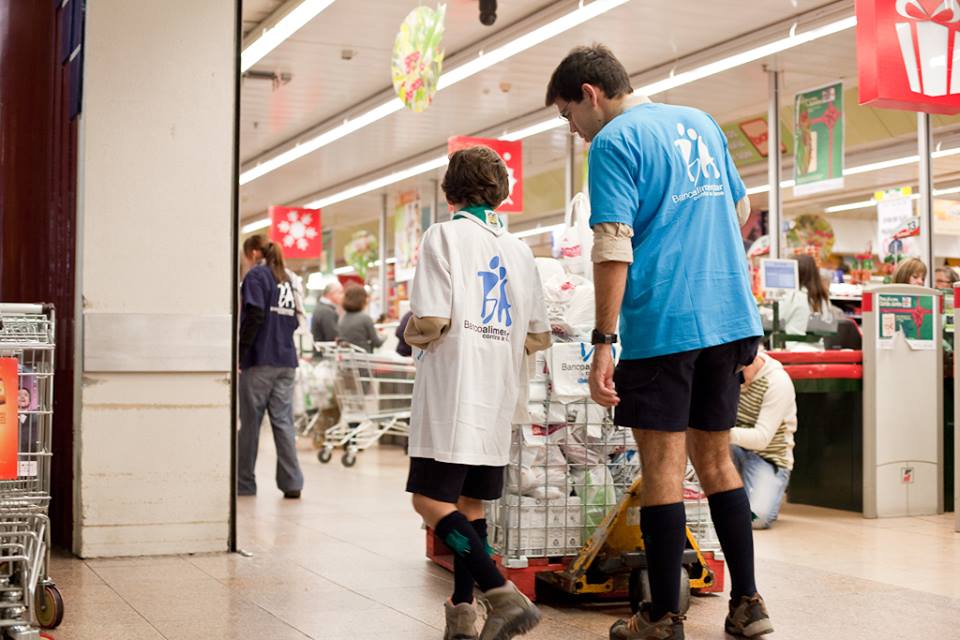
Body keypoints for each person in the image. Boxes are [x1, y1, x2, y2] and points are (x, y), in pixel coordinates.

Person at [545, 45, 771, 639]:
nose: (574, 131)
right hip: (728, 318)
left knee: (664, 467)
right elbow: (741, 206)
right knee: (718, 462)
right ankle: (748, 604)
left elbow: (613, 247)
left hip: (664, 324)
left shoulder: (613, 143)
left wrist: (601, 341)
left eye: (569, 116)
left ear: (590, 94)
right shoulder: (699, 120)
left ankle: (663, 617)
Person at [403, 145, 551, 640]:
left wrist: (410, 334)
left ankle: (500, 594)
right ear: (502, 193)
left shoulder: (442, 236)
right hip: (498, 399)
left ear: (450, 191)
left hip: (452, 397)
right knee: (473, 507)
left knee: (428, 502)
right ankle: (462, 614)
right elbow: (537, 335)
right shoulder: (521, 250)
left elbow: (430, 320)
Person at [237, 240, 305, 499]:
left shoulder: (256, 275)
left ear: (253, 253)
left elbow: (254, 315)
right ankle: (292, 483)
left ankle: (244, 483)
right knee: (283, 422)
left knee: (250, 425)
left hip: (260, 360)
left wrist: (241, 354)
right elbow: (296, 320)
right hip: (286, 360)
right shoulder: (285, 278)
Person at [730, 353, 797, 529]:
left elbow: (762, 438)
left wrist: (718, 434)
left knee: (756, 519)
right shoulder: (728, 375)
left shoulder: (777, 381)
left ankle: (746, 500)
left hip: (768, 458)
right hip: (733, 449)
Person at [778, 255, 835, 351]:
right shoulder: (823, 298)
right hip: (819, 351)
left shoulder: (793, 296)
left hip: (795, 351)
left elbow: (776, 318)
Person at [338, 285, 384, 353]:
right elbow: (377, 343)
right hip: (364, 358)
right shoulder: (365, 318)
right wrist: (385, 336)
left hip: (348, 358)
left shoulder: (342, 318)